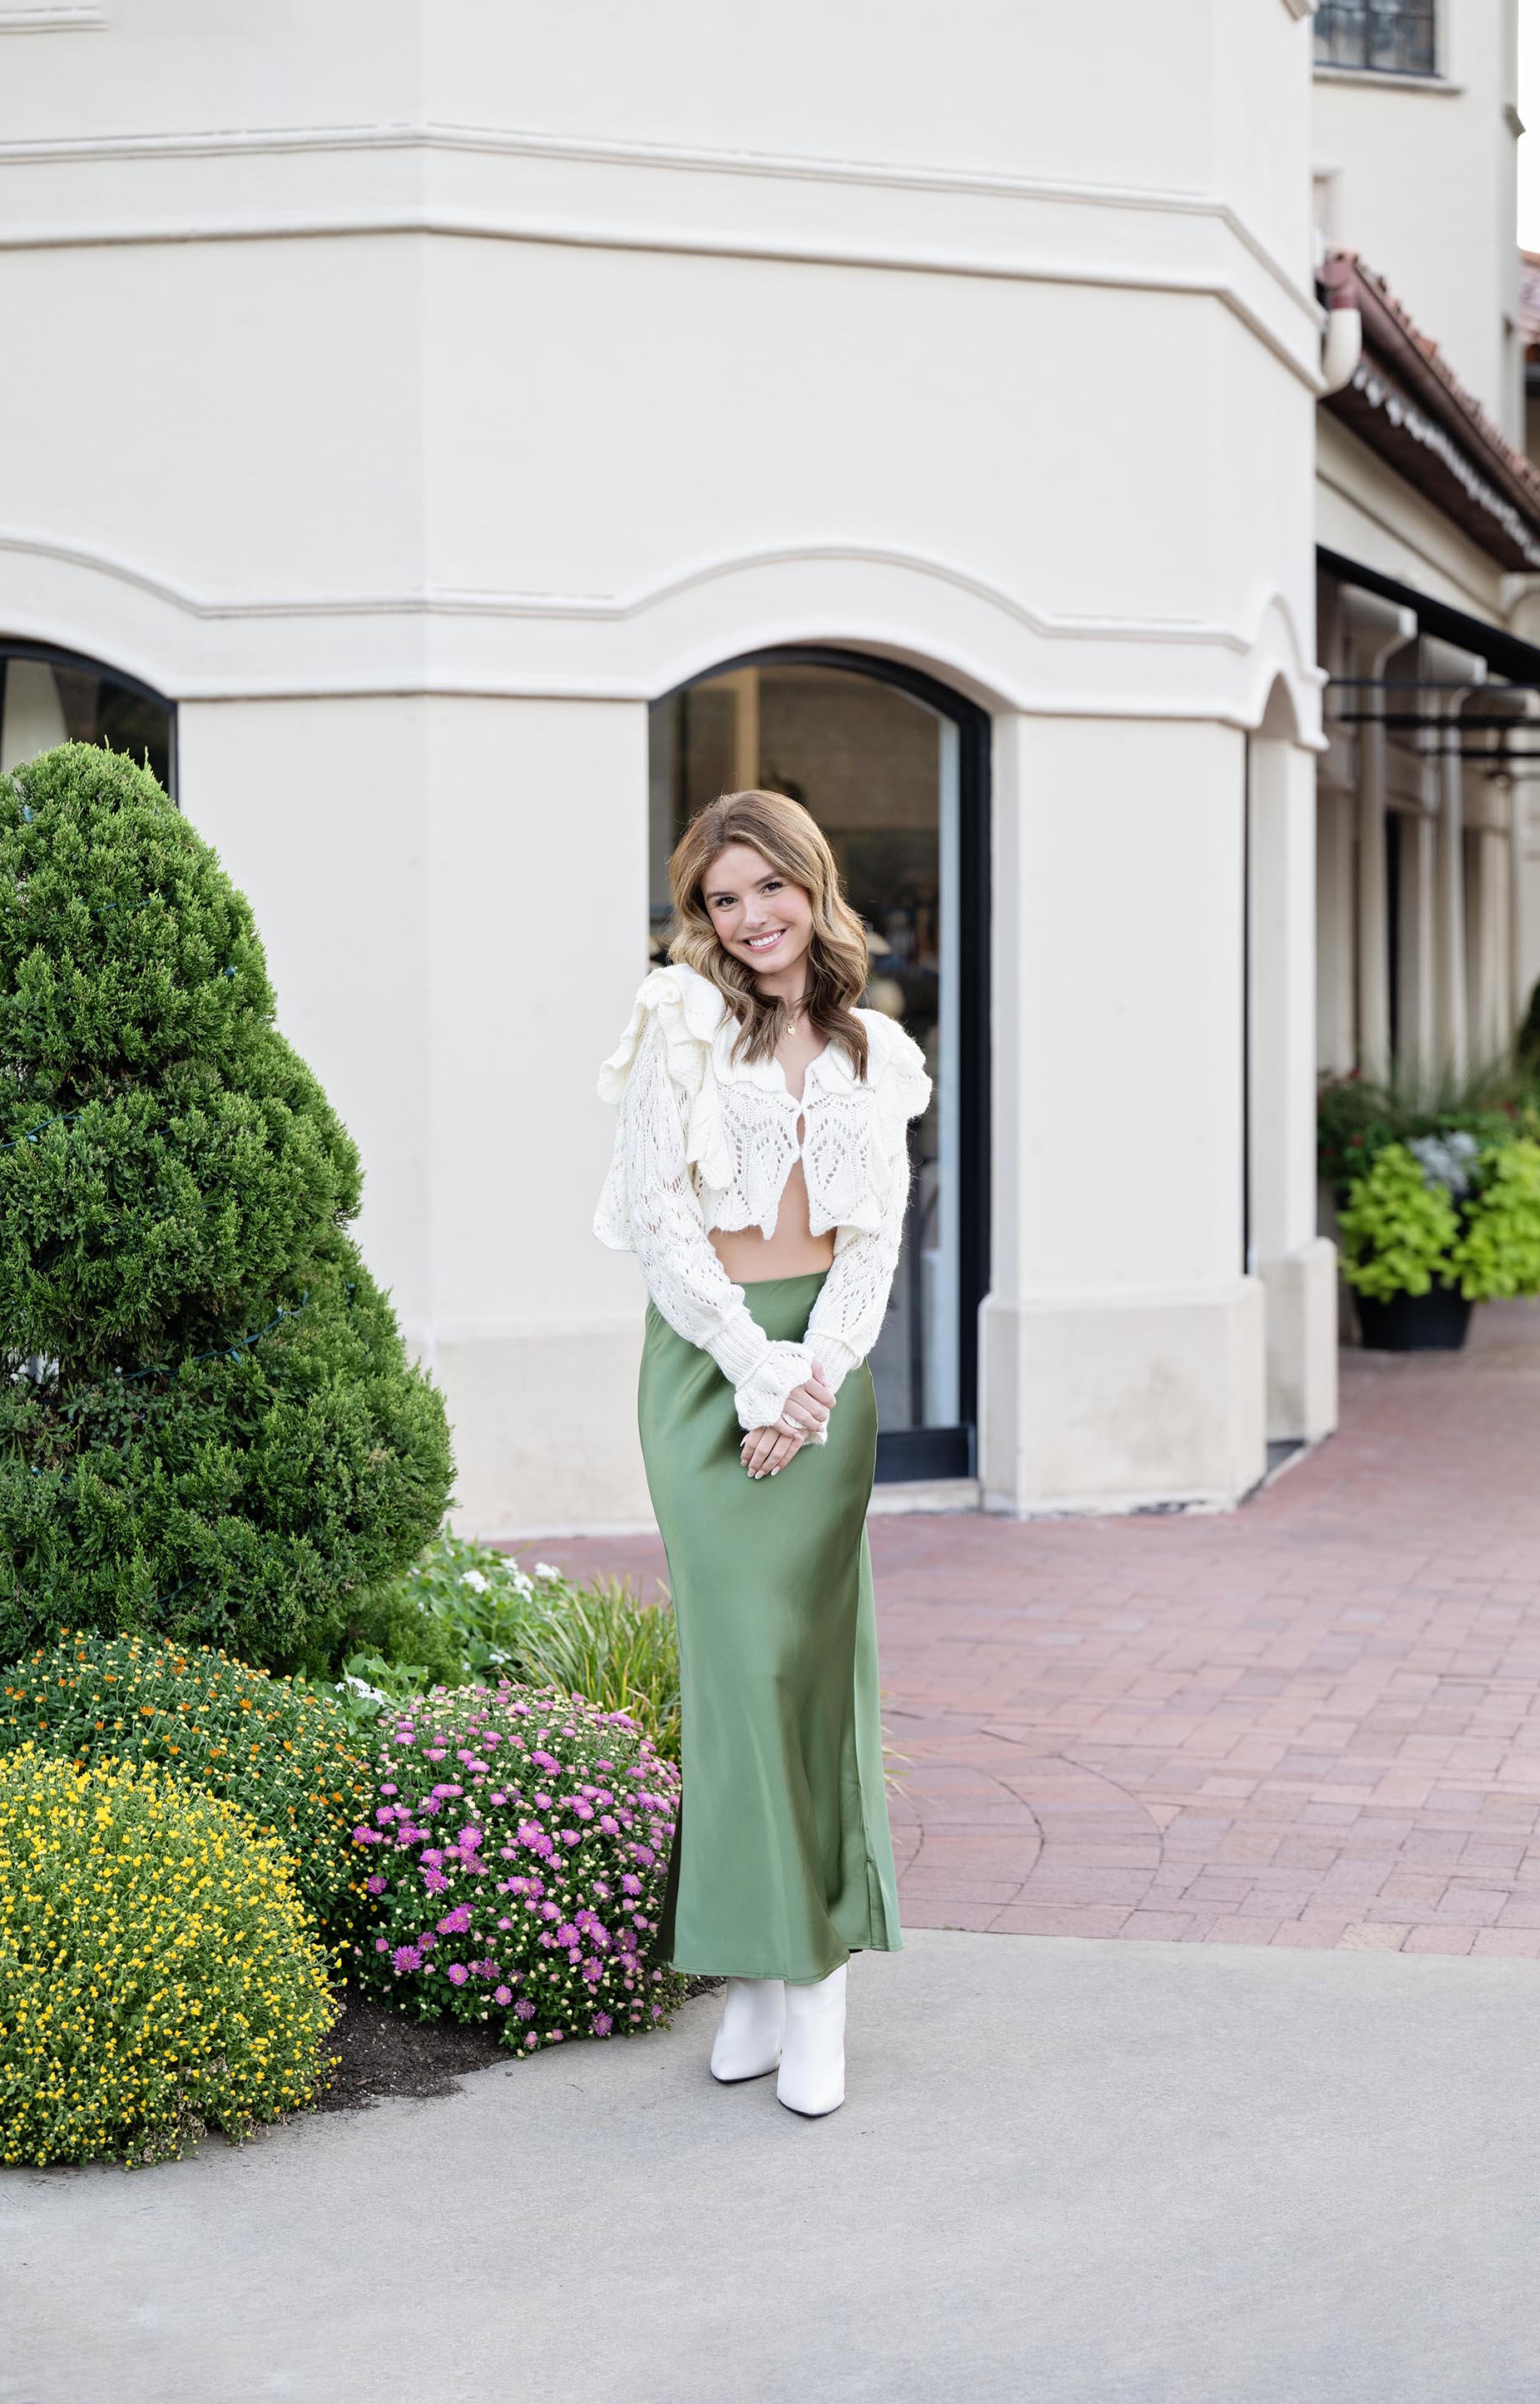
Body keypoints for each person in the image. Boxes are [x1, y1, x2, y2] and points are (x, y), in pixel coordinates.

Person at [594, 788, 932, 2116]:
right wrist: (753, 1370)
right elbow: (664, 1228)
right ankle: (762, 1964)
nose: (750, 919)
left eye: (767, 890)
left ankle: (809, 1986)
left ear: (812, 884)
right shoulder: (675, 1022)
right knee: (735, 1674)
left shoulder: (875, 1050)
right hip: (704, 1367)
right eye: (722, 900)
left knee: (808, 1670)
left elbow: (878, 1238)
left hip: (823, 1373)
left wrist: (816, 1381)